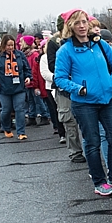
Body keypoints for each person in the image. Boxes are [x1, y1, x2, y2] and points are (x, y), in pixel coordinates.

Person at [54, 9, 112, 196]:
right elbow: (60, 78)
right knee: (93, 142)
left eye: (84, 21)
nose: (82, 26)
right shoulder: (65, 50)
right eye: (77, 22)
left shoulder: (100, 44)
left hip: (108, 98)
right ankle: (99, 181)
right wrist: (79, 88)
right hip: (84, 103)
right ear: (70, 26)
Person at [47, 15, 85, 163]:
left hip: (83, 85)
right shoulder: (54, 43)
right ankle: (75, 152)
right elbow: (52, 66)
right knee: (69, 120)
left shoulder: (83, 40)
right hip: (64, 88)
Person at [0, 35, 32, 138]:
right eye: (8, 45)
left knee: (20, 109)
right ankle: (6, 127)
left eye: (12, 45)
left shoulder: (20, 55)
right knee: (6, 109)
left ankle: (21, 132)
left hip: (19, 87)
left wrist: (28, 77)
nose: (10, 48)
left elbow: (27, 69)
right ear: (3, 45)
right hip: (3, 87)